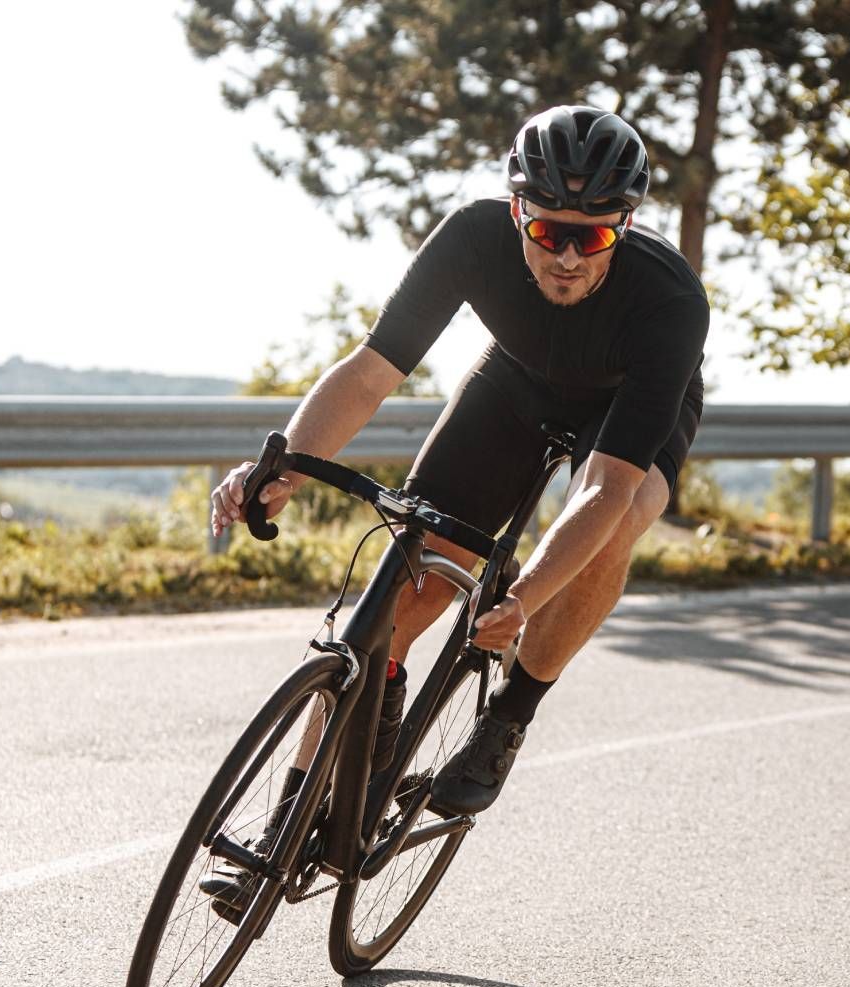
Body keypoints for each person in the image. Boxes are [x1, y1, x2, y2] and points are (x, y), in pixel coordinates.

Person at [211, 103, 710, 817]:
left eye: (593, 236)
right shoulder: (472, 237)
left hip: (626, 402)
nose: (568, 257)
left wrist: (523, 600)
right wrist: (285, 467)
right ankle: (294, 808)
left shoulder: (671, 301)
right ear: (515, 212)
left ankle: (510, 716)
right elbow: (369, 374)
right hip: (516, 380)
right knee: (408, 572)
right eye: (547, 231)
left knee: (622, 516)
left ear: (625, 226)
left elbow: (602, 488)